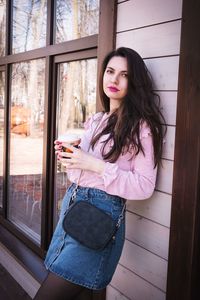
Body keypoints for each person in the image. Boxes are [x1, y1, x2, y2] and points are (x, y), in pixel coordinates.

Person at [34, 47, 166, 300]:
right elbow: (80, 175)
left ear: (134, 81)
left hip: (101, 218)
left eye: (124, 75)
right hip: (74, 209)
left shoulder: (141, 127)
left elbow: (145, 185)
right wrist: (71, 156)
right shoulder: (98, 120)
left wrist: (93, 163)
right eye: (110, 71)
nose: (114, 80)